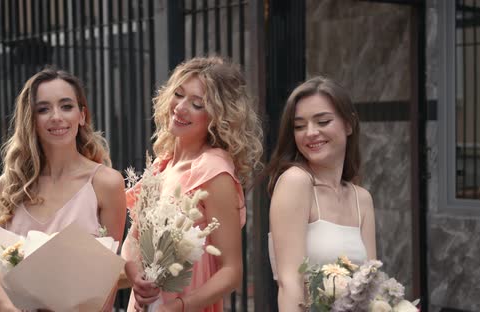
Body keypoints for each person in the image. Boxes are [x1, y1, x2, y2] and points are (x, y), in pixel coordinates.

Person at [121, 56, 263, 312]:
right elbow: (132, 240)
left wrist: (180, 306)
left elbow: (232, 271)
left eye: (197, 104)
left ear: (217, 117)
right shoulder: (161, 166)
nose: (181, 107)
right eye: (178, 94)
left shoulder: (213, 170)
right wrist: (134, 275)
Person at [0, 68, 126, 311]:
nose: (56, 117)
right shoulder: (10, 184)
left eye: (66, 106)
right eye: (43, 109)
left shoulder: (107, 184)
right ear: (31, 119)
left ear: (82, 115)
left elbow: (108, 282)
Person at [266, 77, 376, 311]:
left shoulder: (362, 199)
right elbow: (289, 282)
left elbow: (370, 285)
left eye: (323, 121)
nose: (311, 133)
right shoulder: (295, 182)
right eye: (299, 126)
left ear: (349, 124)